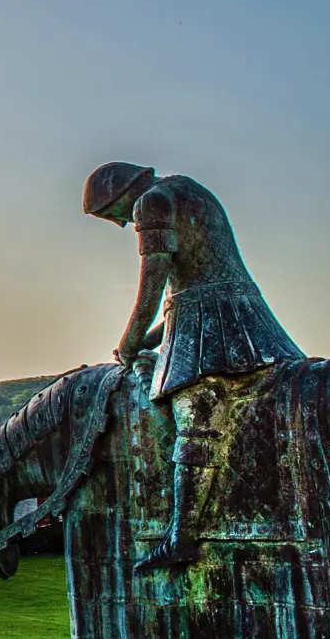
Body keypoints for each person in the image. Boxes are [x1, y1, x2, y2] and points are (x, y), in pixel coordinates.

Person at [83, 162, 304, 570]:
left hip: (216, 322)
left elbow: (153, 281)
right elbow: (186, 295)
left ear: (119, 197)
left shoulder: (151, 203)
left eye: (110, 215)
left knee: (193, 416)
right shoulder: (188, 189)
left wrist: (130, 340)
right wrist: (149, 340)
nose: (117, 224)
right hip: (229, 311)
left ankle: (180, 536)